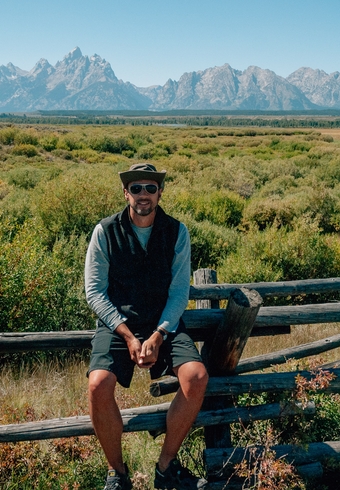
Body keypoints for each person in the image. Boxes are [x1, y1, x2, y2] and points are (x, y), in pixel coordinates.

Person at [85, 163, 209, 490]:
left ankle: (166, 466)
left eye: (150, 188)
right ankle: (117, 472)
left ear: (160, 193)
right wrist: (126, 334)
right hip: (117, 322)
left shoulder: (176, 231)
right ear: (125, 193)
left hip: (163, 323)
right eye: (136, 188)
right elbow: (94, 292)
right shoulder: (105, 231)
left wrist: (158, 334)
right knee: (98, 385)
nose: (143, 195)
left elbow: (180, 291)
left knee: (196, 377)